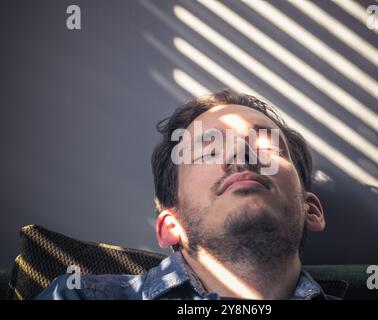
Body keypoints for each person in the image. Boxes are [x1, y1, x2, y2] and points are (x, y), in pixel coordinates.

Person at [36, 89, 334, 300]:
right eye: (209, 151)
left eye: (265, 146)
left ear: (311, 210)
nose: (241, 155)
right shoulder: (76, 296)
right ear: (170, 226)